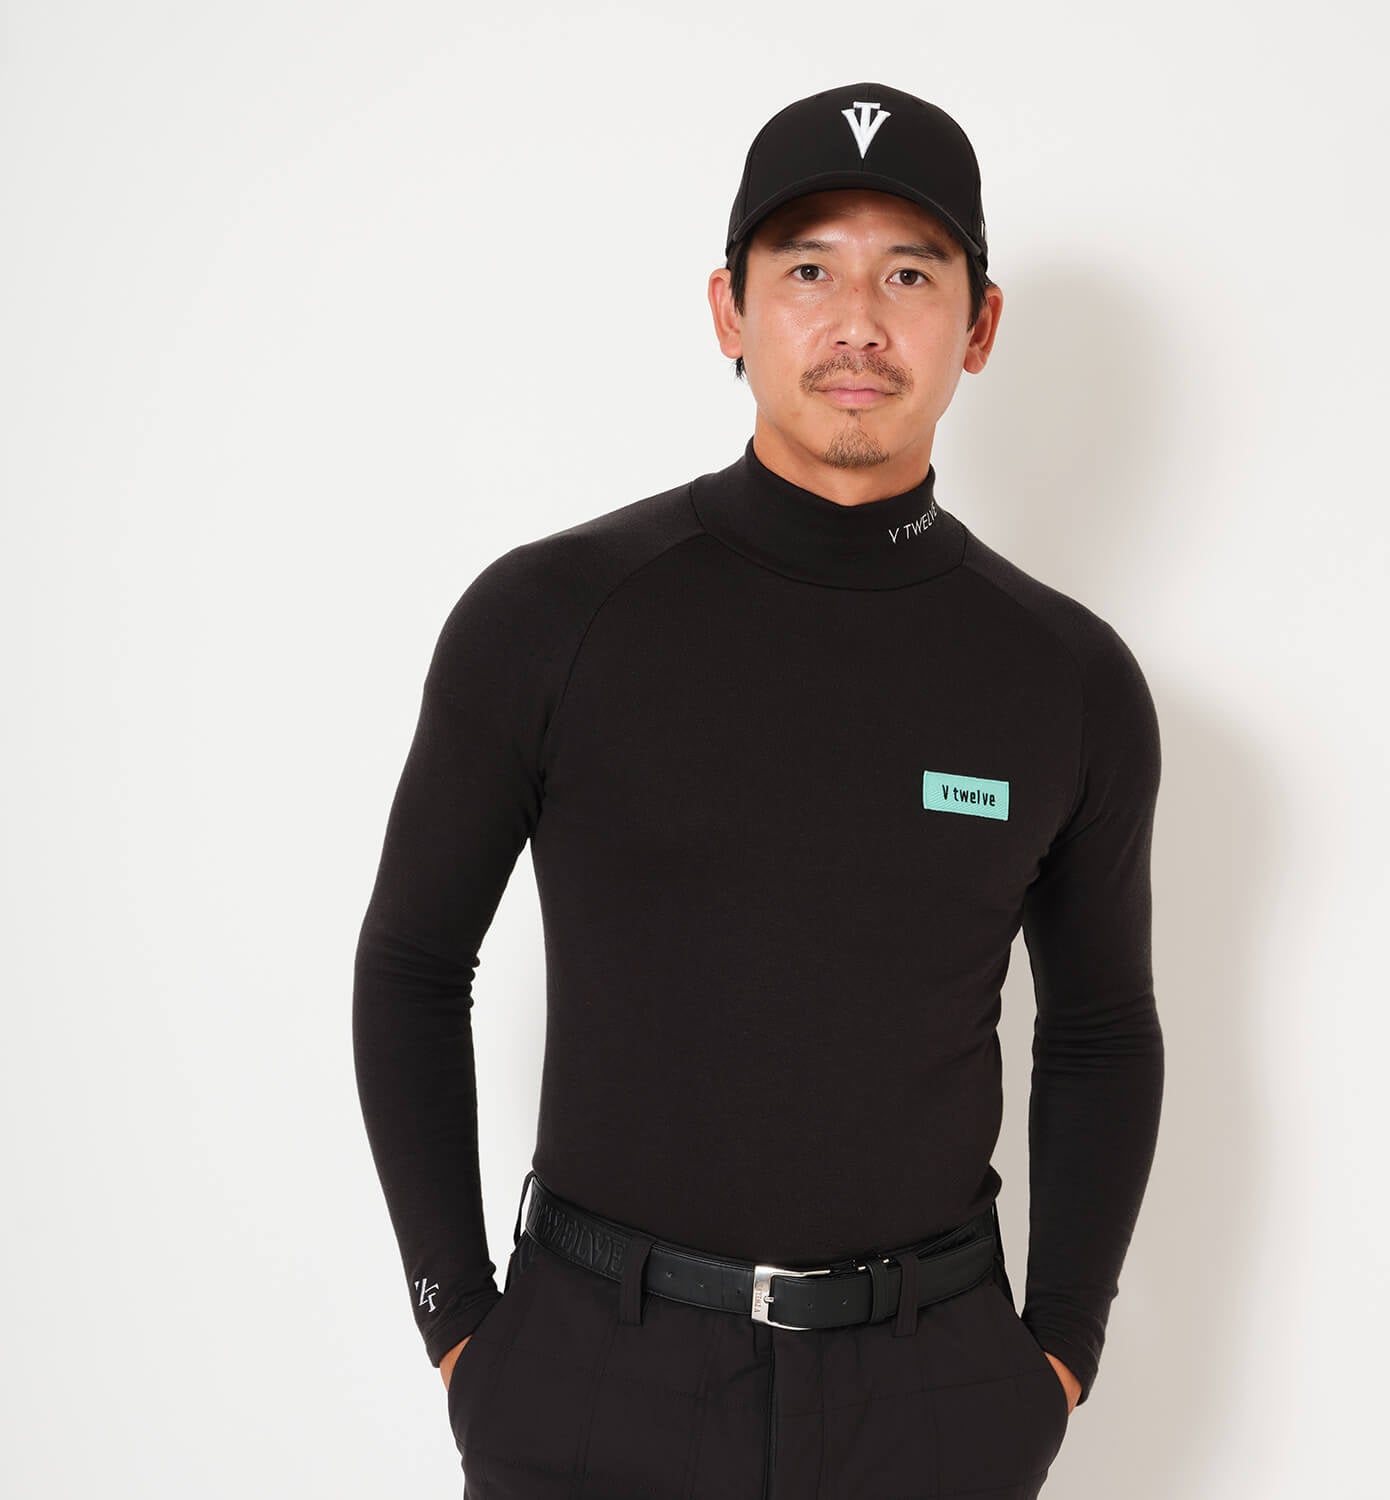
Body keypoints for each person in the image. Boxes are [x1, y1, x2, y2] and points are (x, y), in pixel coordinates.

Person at [353, 80, 1165, 1500]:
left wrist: (1057, 1357)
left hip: (931, 1396)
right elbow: (414, 964)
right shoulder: (550, 618)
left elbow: (1100, 1033)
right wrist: (462, 1331)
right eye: (807, 271)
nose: (858, 323)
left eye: (909, 274)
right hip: (593, 1377)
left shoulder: (1067, 678)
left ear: (978, 326)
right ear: (729, 309)